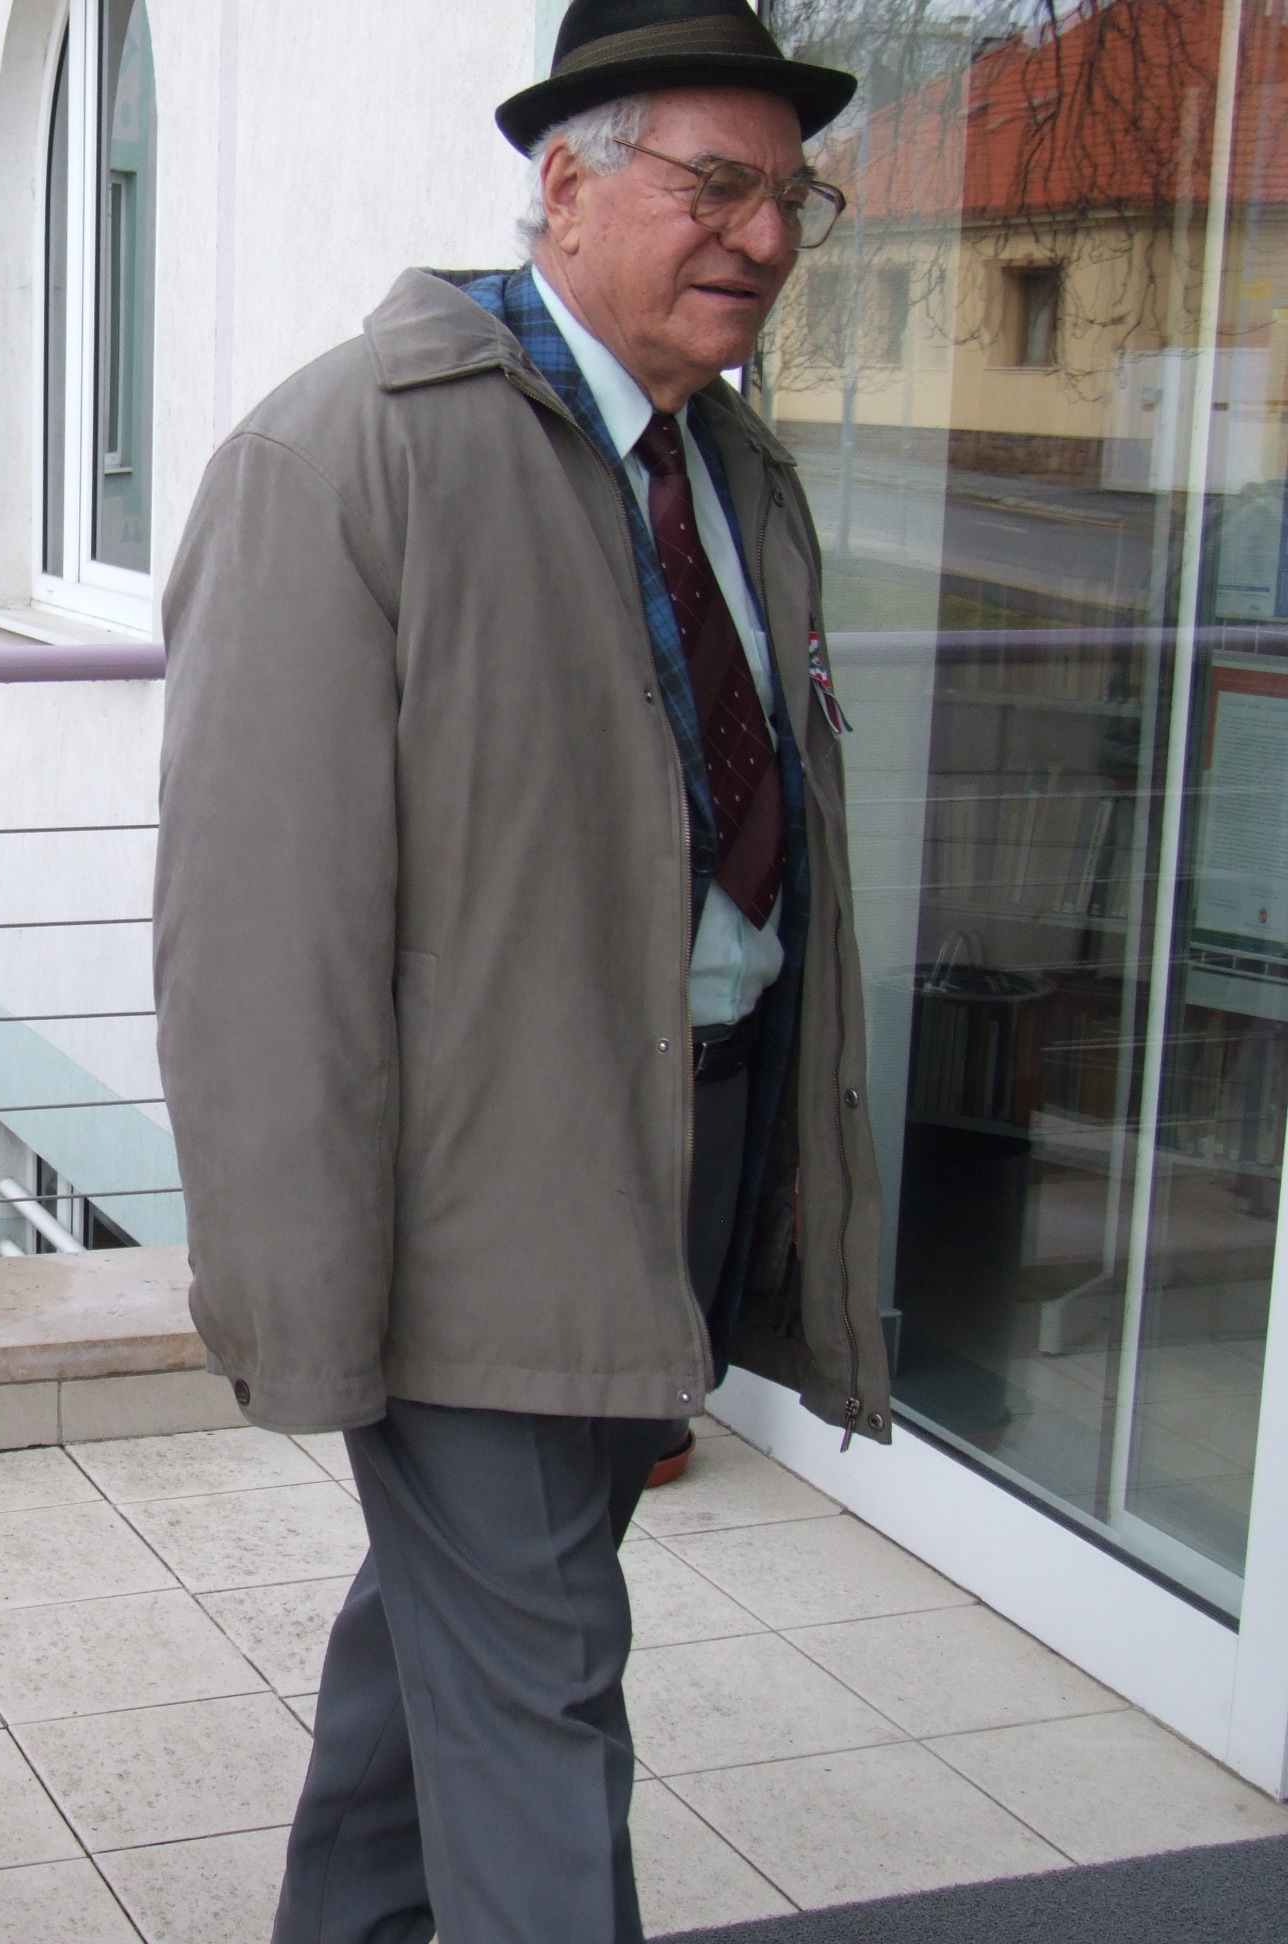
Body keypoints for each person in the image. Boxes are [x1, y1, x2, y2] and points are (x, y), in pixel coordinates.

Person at [152, 2, 887, 1938]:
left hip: (686, 1166)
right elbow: (257, 939)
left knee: (458, 1640)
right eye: (714, 185)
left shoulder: (735, 473)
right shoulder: (344, 457)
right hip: (474, 1219)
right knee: (543, 1702)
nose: (763, 236)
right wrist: (300, 1296)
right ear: (565, 184)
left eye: (790, 197)